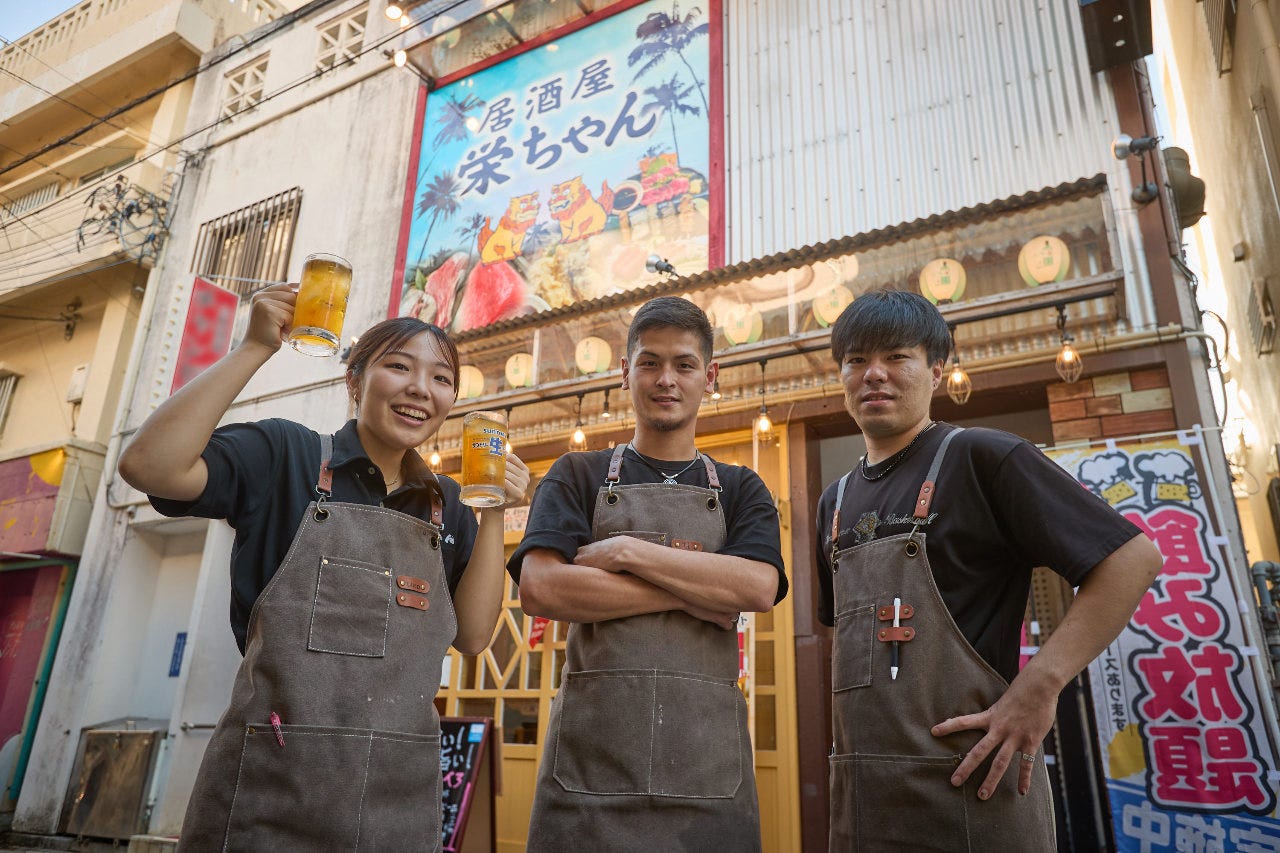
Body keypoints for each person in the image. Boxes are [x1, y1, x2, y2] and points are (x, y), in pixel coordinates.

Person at [118, 282, 529, 850]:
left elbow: (477, 635)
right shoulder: (286, 456)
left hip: (398, 802)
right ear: (354, 381)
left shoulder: (449, 506)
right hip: (271, 794)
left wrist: (494, 514)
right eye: (400, 367)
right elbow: (148, 465)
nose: (420, 389)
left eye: (441, 378)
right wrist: (254, 347)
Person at [814, 289, 1161, 851]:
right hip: (864, 797)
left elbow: (1133, 559)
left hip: (972, 782)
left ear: (935, 370)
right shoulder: (835, 502)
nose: (874, 374)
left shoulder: (982, 456)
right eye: (856, 360)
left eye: (897, 357)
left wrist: (1039, 687)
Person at [509, 296, 786, 852]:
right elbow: (541, 588)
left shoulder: (741, 487)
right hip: (588, 775)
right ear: (624, 373)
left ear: (709, 377)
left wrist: (627, 552)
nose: (666, 379)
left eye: (684, 365)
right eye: (649, 362)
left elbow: (755, 587)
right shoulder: (576, 473)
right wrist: (695, 592)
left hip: (707, 774)